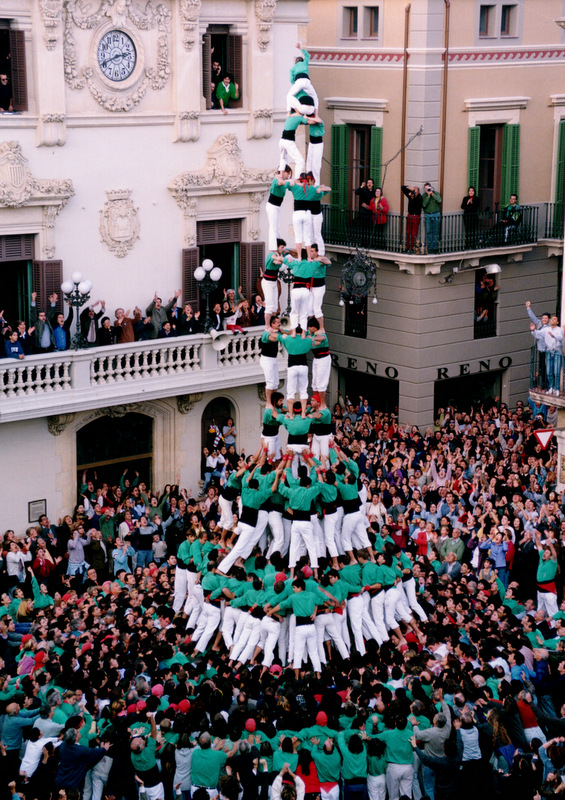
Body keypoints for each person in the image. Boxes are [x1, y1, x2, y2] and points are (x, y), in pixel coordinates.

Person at [266, 169, 291, 252]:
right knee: (273, 228)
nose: (288, 176)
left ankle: (279, 246)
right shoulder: (276, 180)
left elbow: (289, 183)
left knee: (278, 228)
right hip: (272, 205)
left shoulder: (283, 180)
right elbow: (280, 183)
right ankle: (273, 249)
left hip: (277, 206)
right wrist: (283, 180)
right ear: (283, 172)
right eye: (288, 173)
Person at [544, 314, 563, 396]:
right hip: (549, 350)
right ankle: (551, 387)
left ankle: (557, 388)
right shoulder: (547, 329)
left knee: (556, 371)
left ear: (557, 322)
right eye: (551, 319)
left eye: (554, 319)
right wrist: (533, 331)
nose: (552, 320)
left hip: (557, 351)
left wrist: (554, 335)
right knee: (549, 371)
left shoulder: (559, 329)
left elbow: (560, 338)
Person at [401, 184, 423, 253]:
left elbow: (416, 201)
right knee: (408, 232)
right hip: (410, 215)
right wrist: (408, 187)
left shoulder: (420, 197)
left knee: (414, 233)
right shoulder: (410, 195)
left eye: (415, 190)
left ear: (418, 191)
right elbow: (402, 188)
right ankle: (407, 248)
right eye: (414, 190)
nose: (414, 191)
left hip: (416, 216)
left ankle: (412, 249)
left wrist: (412, 196)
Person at [422, 182, 442, 254]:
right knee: (429, 232)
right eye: (426, 189)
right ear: (424, 189)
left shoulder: (436, 193)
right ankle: (430, 248)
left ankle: (435, 248)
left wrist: (432, 194)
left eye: (429, 188)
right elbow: (424, 205)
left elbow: (439, 200)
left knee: (436, 232)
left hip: (436, 214)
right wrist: (428, 196)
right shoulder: (424, 196)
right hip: (428, 215)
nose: (428, 189)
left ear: (431, 187)